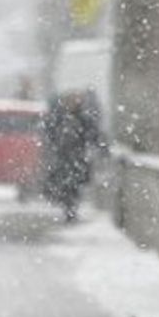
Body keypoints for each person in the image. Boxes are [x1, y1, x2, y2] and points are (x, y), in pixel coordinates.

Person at [40, 90, 105, 222]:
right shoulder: (59, 117)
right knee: (64, 185)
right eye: (70, 100)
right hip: (63, 158)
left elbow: (94, 136)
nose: (72, 103)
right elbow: (49, 133)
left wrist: (101, 149)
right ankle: (68, 208)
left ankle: (71, 209)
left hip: (77, 158)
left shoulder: (83, 118)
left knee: (73, 186)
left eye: (75, 100)